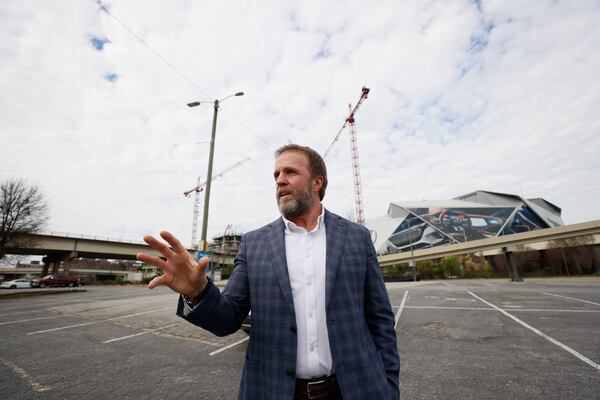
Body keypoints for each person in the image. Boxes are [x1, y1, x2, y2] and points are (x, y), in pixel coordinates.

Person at [137, 144, 400, 400]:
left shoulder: (356, 237)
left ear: (317, 182)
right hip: (272, 390)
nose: (280, 180)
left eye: (290, 172)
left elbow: (380, 319)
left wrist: (389, 386)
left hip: (354, 389)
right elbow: (228, 319)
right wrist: (199, 293)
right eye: (276, 175)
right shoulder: (254, 244)